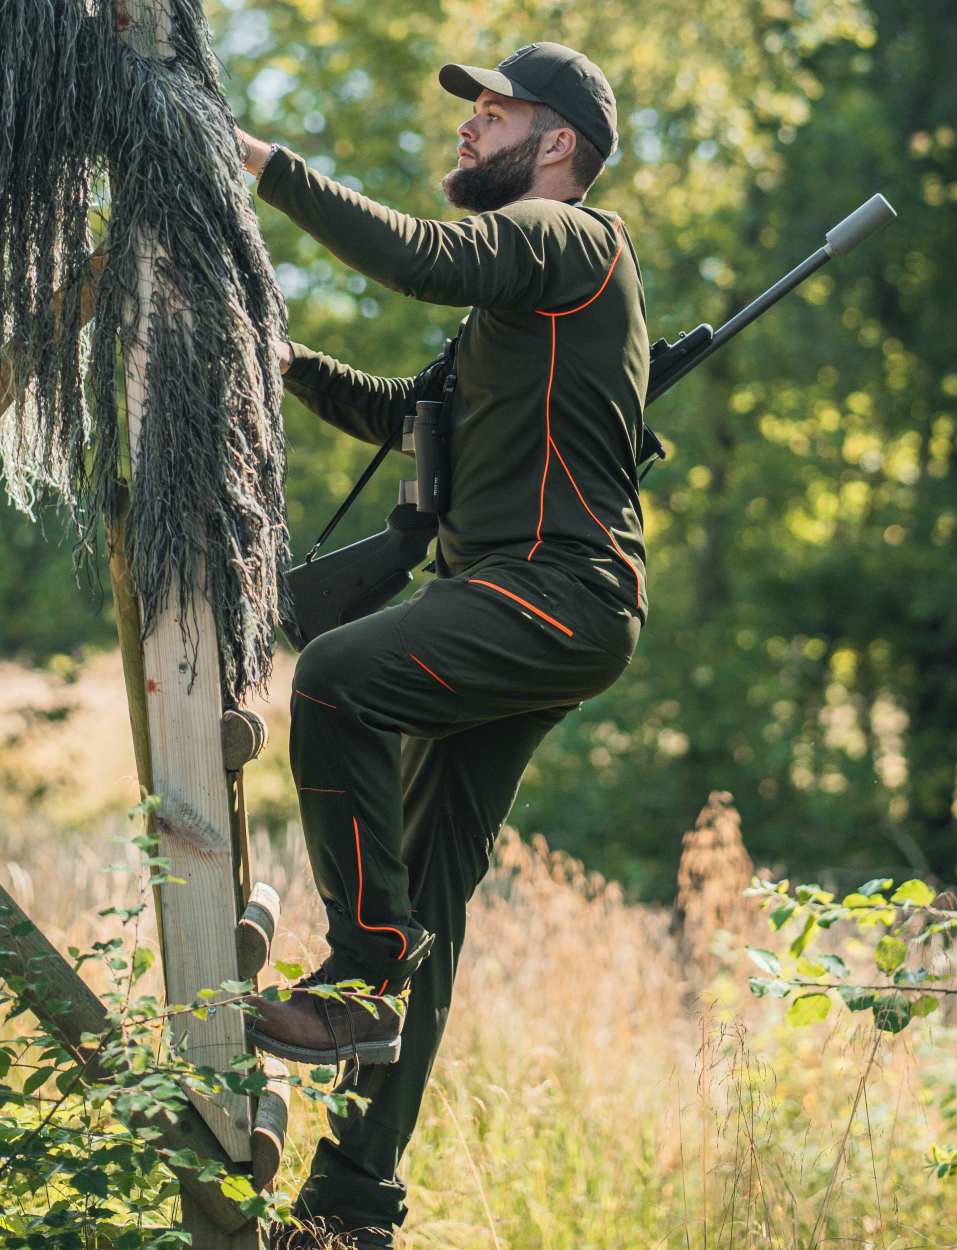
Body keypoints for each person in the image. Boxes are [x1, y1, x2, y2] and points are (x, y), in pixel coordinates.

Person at [237, 41, 649, 1250]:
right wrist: (284, 363)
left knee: (339, 677)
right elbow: (399, 412)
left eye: (495, 111)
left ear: (557, 143)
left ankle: (362, 969)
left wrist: (260, 163)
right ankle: (351, 1203)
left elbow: (418, 255)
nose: (469, 125)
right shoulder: (512, 301)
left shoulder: (568, 239)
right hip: (524, 600)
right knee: (433, 896)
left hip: (553, 592)